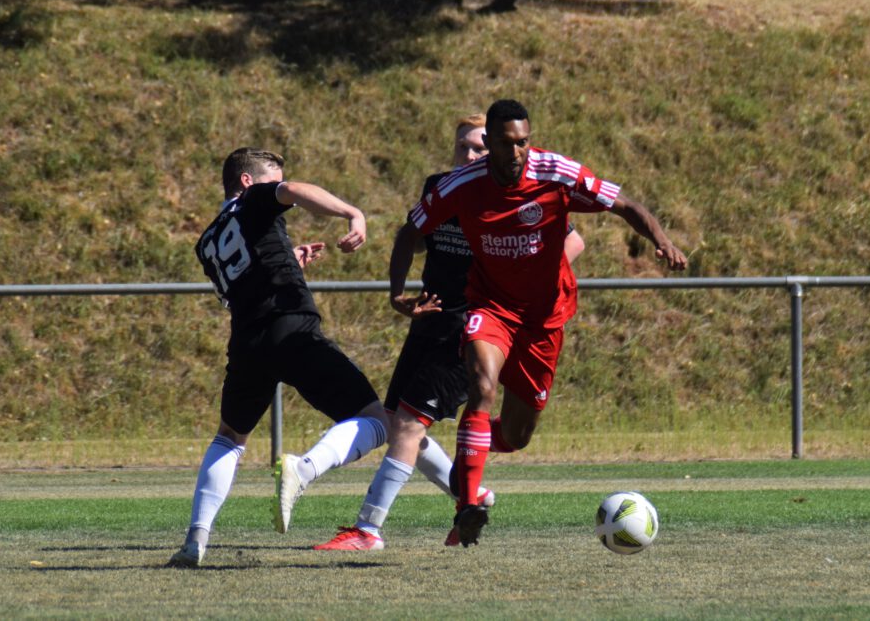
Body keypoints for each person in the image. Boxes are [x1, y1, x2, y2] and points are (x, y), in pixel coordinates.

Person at [407, 99, 688, 547]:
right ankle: (467, 506)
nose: (516, 151)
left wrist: (662, 240)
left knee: (518, 435)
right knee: (481, 387)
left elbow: (625, 204)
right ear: (491, 142)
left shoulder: (556, 172)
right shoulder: (464, 184)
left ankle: (468, 453)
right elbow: (410, 229)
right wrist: (395, 292)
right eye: (505, 143)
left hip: (545, 319)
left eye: (523, 142)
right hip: (491, 307)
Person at [314, 115, 586, 551]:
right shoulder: (443, 187)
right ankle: (471, 494)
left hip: (474, 322)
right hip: (429, 319)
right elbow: (418, 239)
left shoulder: (507, 190)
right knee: (401, 423)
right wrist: (404, 279)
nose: (472, 155)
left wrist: (531, 276)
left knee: (408, 424)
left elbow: (572, 240)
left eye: (480, 148)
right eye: (464, 147)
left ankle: (368, 529)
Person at [167, 148, 389, 568]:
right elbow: (294, 191)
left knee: (229, 438)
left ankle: (195, 540)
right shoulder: (255, 199)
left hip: (248, 340)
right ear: (248, 182)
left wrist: (291, 261)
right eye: (271, 180)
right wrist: (352, 213)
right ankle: (302, 470)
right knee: (378, 418)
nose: (278, 186)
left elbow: (246, 279)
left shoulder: (207, 241)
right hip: (290, 327)